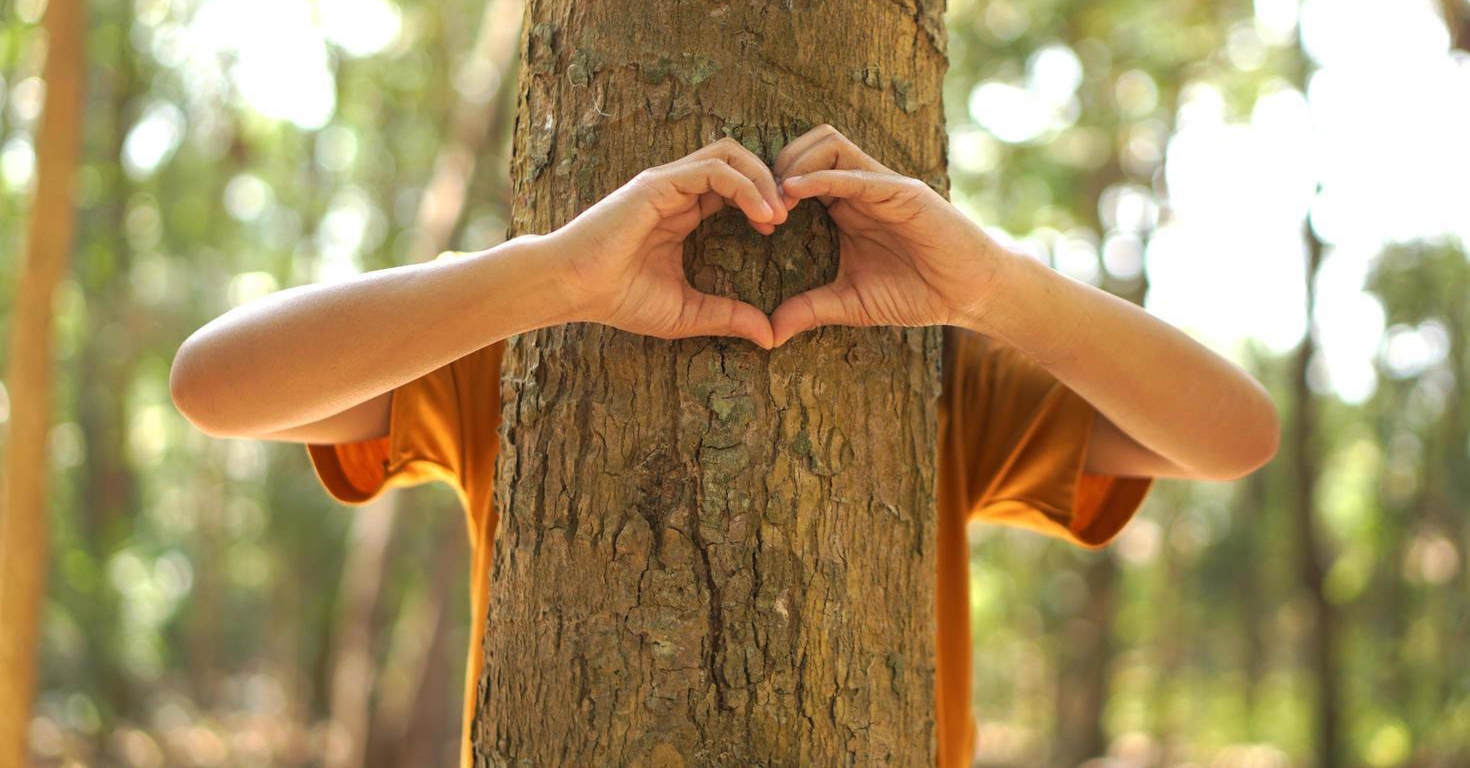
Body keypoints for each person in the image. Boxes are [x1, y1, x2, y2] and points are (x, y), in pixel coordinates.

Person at [170, 124, 1280, 767]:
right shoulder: (511, 360)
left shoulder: (942, 379)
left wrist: (993, 287)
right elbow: (215, 386)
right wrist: (552, 274)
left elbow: (1234, 433)